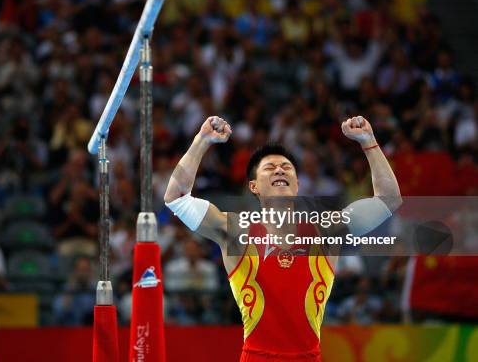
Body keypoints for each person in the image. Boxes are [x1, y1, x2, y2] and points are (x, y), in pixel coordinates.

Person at [164, 115, 402, 361]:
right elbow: (176, 197)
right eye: (269, 168)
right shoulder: (236, 231)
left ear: (297, 184)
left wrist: (369, 142)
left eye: (287, 167)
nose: (279, 169)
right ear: (254, 186)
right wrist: (201, 140)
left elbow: (389, 200)